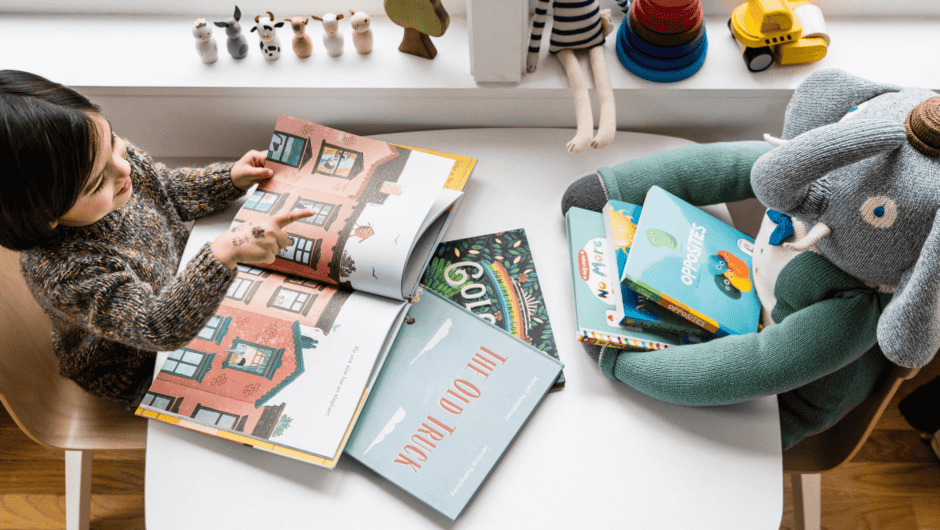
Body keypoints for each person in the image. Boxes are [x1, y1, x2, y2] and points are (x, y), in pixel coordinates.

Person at [0, 70, 313, 409]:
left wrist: (230, 179)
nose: (124, 170)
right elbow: (155, 326)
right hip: (137, 367)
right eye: (95, 185)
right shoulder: (68, 271)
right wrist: (224, 253)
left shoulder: (102, 160)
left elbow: (164, 188)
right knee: (276, 392)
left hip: (184, 285)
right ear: (45, 216)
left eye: (115, 145)